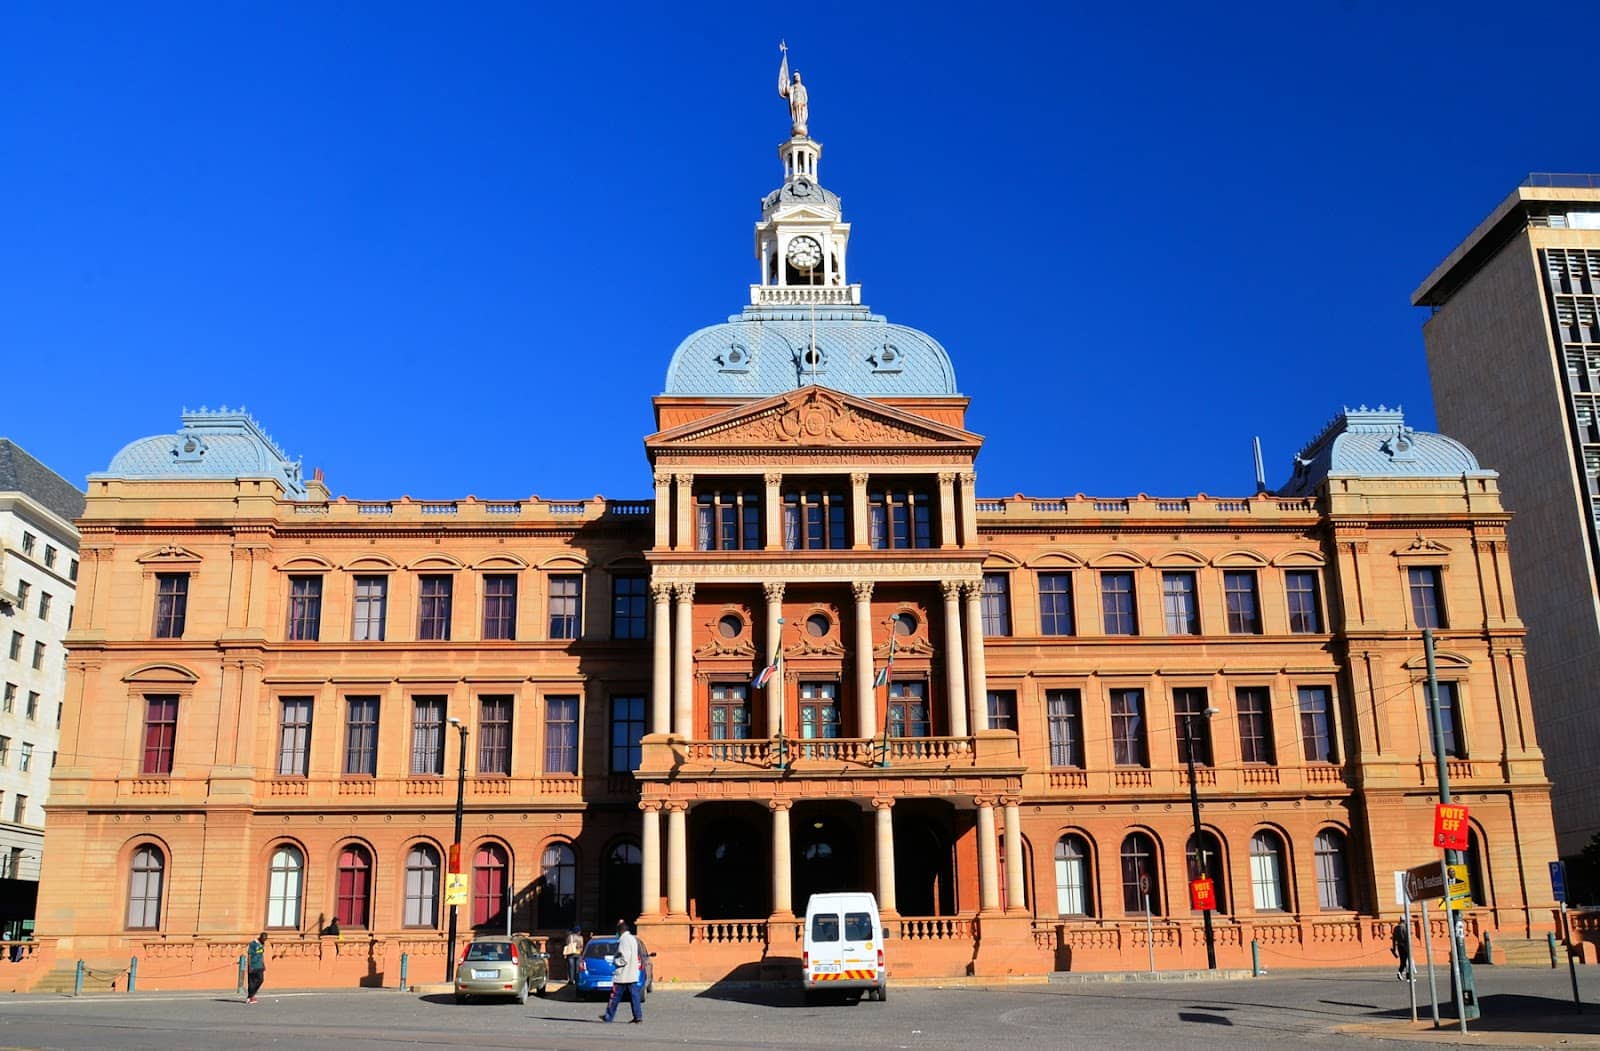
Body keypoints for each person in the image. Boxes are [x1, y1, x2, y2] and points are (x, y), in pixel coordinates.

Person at [599, 919, 643, 1024]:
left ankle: (609, 1016)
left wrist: (615, 961)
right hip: (632, 973)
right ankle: (638, 1016)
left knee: (615, 996)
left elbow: (624, 958)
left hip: (623, 974)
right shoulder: (633, 939)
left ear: (620, 931)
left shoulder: (624, 940)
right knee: (634, 996)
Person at [246, 931, 268, 1003]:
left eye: (265, 939)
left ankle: (252, 995)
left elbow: (261, 954)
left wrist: (263, 964)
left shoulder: (262, 944)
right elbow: (249, 955)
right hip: (253, 965)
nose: (264, 941)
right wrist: (249, 966)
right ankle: (250, 997)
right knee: (251, 982)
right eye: (263, 939)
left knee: (261, 980)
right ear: (260, 937)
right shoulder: (253, 944)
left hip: (259, 965)